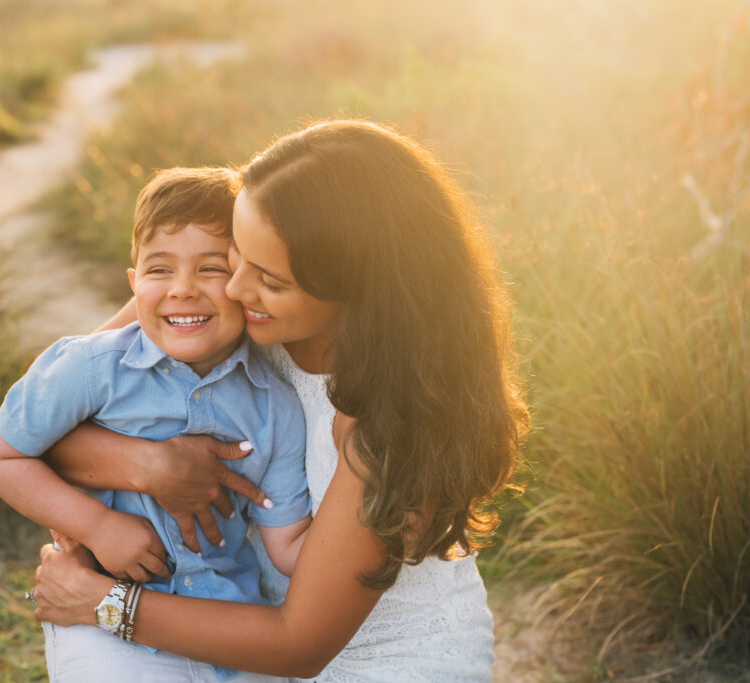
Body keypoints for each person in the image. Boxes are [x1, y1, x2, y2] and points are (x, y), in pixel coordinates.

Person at [31, 120, 528, 681]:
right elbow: (44, 418)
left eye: (270, 278)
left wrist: (102, 601)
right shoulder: (230, 298)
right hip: (251, 631)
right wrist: (153, 465)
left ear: (357, 290)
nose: (237, 289)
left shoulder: (397, 423)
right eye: (236, 254)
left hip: (378, 661)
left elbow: (300, 644)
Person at [0, 167, 313, 682]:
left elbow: (287, 544)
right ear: (134, 284)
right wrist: (98, 525)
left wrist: (383, 526)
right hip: (101, 619)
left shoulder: (275, 404)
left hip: (224, 617)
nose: (182, 290)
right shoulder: (90, 368)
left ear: (245, 282)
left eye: (210, 269)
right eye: (159, 270)